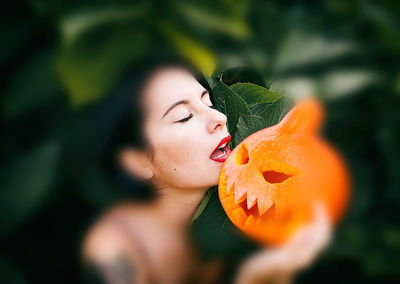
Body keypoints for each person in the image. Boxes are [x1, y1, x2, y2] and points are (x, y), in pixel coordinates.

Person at [82, 58, 331, 284]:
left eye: (208, 102)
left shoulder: (234, 223)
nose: (219, 117)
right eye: (184, 117)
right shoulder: (117, 246)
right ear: (138, 161)